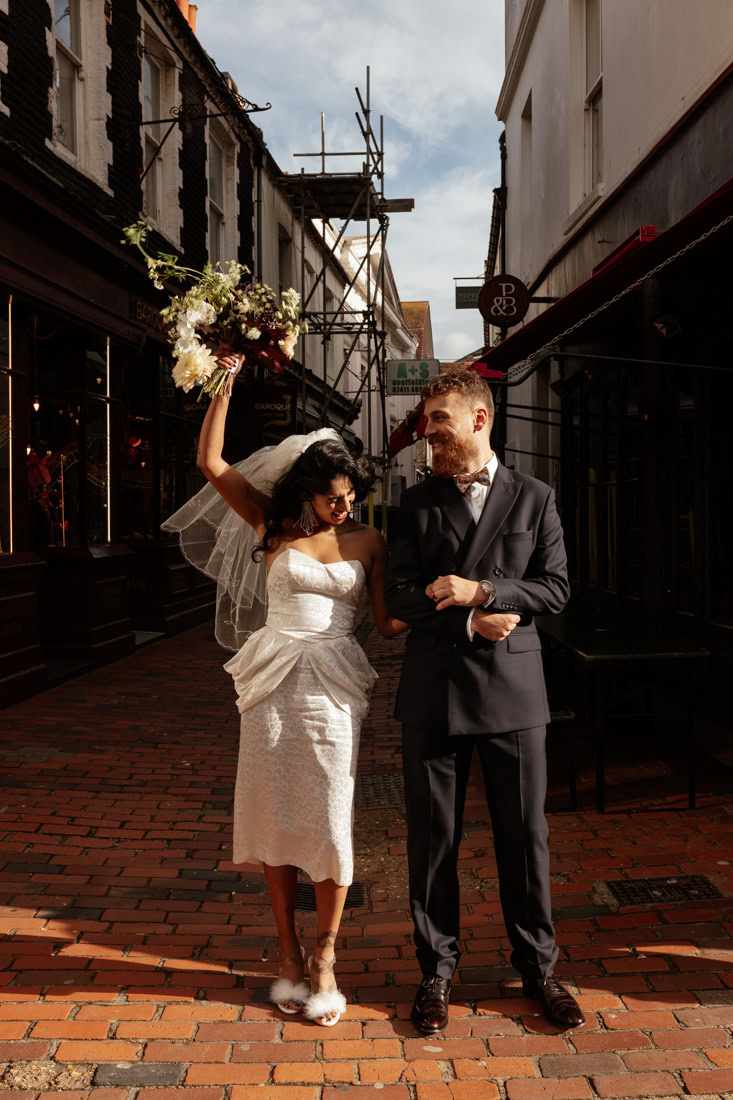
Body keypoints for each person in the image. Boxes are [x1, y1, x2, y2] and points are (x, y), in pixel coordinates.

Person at [163, 354, 407, 1028]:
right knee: (275, 817)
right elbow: (211, 462)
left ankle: (326, 958)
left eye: (351, 496)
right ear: (306, 491)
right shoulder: (271, 527)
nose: (344, 505)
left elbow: (384, 623)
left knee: (330, 818)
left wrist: (449, 604)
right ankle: (290, 956)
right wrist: (224, 381)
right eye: (333, 496)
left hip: (334, 684)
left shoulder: (369, 540)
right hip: (271, 680)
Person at [385, 369, 583, 1034]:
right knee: (433, 842)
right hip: (433, 694)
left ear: (478, 419)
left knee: (524, 838)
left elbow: (554, 589)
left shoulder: (534, 497)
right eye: (425, 420)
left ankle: (539, 971)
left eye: (438, 418)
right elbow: (399, 598)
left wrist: (485, 594)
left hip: (514, 695)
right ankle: (435, 973)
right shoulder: (414, 505)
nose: (427, 431)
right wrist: (468, 621)